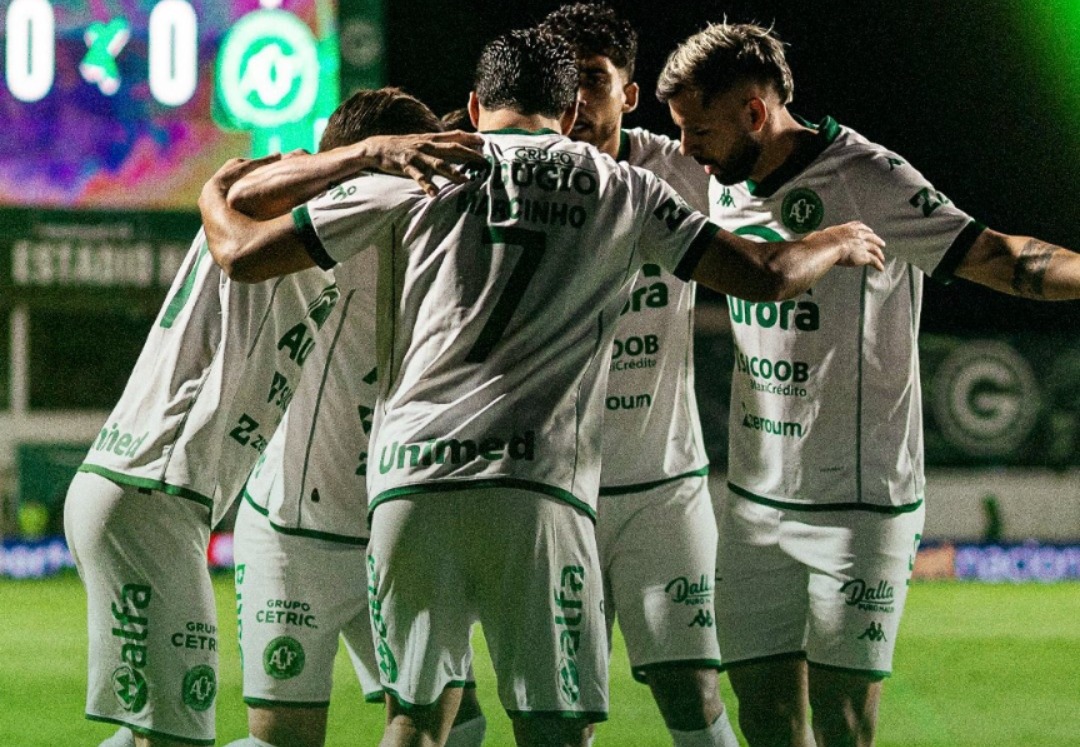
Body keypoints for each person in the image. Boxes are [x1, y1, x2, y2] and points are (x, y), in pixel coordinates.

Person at [198, 28, 884, 747]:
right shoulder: (620, 184)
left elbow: (241, 253)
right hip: (536, 487)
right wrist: (834, 240)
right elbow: (765, 276)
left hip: (408, 482)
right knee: (553, 725)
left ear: (471, 105)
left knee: (415, 717)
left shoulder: (419, 171)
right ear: (565, 117)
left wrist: (217, 191)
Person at [656, 21, 1080, 747]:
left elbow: (999, 256)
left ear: (755, 114)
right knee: (764, 719)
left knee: (843, 725)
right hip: (756, 503)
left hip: (859, 505)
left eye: (699, 130)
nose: (688, 147)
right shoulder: (721, 180)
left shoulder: (867, 178)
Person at [63, 118, 479, 747]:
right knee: (176, 737)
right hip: (150, 493)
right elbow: (243, 191)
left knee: (160, 733)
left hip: (153, 495)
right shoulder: (285, 209)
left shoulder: (327, 239)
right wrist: (367, 155)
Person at [222, 87, 487, 747]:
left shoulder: (446, 228)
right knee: (287, 740)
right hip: (298, 535)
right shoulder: (326, 216)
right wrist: (363, 161)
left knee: (457, 728)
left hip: (397, 525)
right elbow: (242, 204)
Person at [540, 5, 737, 745]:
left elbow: (771, 172)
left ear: (629, 93)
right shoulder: (517, 174)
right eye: (561, 81)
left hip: (662, 488)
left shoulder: (685, 169)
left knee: (691, 692)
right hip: (554, 494)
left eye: (593, 80)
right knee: (563, 717)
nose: (575, 101)